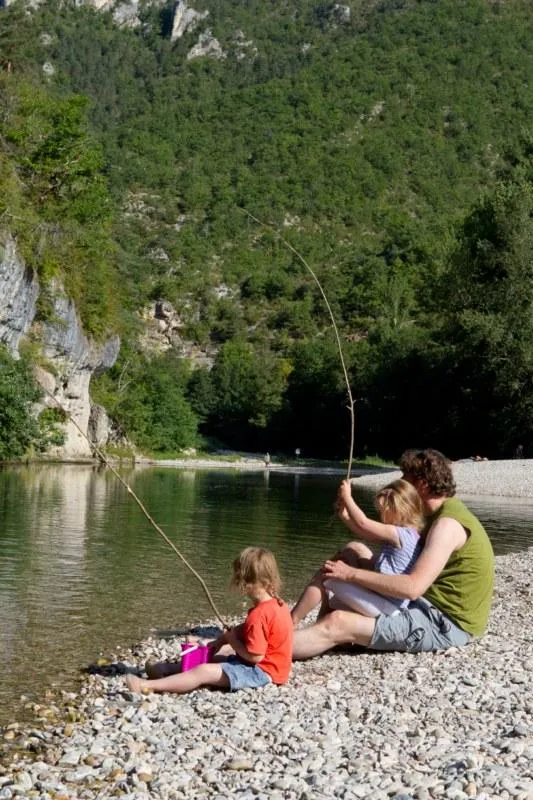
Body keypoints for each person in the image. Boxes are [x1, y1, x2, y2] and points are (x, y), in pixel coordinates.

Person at [292, 448, 495, 659]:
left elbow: (412, 588)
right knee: (354, 549)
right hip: (426, 606)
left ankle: (265, 651)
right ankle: (308, 627)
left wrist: (350, 574)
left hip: (444, 624)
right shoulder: (436, 516)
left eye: (404, 480)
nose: (399, 484)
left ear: (422, 485)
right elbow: (368, 532)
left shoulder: (446, 525)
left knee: (338, 622)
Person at [126, 547, 293, 694]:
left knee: (203, 671)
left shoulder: (258, 615)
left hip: (262, 673)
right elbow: (248, 629)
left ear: (243, 582)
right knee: (213, 659)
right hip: (277, 669)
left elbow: (255, 657)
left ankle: (148, 685)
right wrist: (218, 641)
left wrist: (231, 640)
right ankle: (165, 670)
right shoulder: (279, 604)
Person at [291, 478, 424, 623]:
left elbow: (363, 523)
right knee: (352, 551)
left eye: (384, 511)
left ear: (400, 509)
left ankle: (291, 621)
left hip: (386, 606)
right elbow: (363, 532)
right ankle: (322, 618)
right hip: (390, 601)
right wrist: (345, 516)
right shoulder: (411, 535)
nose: (381, 516)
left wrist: (348, 497)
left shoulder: (399, 533)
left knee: (327, 572)